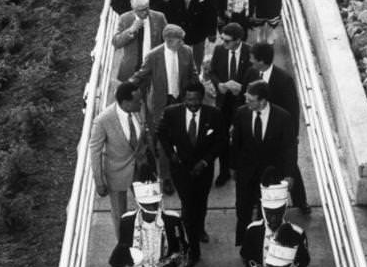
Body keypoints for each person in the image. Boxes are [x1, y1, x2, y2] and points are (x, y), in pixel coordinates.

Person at [157, 80, 221, 267]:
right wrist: (172, 155)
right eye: (189, 99)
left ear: (202, 98)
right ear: (184, 98)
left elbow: (220, 141)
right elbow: (161, 134)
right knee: (188, 206)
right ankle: (193, 250)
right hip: (181, 170)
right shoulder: (171, 113)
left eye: (196, 99)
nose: (193, 103)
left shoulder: (214, 115)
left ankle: (199, 229)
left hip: (204, 170)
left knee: (201, 203)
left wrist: (205, 161)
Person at [132, 23, 200, 192]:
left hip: (181, 100)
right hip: (162, 103)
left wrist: (198, 89)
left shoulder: (187, 52)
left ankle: (183, 170)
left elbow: (193, 73)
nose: (183, 43)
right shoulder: (154, 56)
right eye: (180, 40)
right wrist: (127, 88)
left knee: (184, 136)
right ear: (169, 41)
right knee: (164, 142)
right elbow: (141, 75)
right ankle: (166, 177)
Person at [230, 81, 296, 246]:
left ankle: (264, 245)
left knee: (267, 214)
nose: (247, 102)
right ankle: (245, 245)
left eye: (251, 100)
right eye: (246, 98)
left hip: (271, 176)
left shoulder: (282, 117)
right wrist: (233, 167)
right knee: (243, 211)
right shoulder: (241, 113)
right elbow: (235, 143)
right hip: (246, 174)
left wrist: (288, 175)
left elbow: (289, 149)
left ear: (263, 101)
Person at [249, 43, 310, 215]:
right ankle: (257, 201)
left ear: (261, 61)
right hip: (260, 129)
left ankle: (300, 201)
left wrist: (292, 135)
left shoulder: (284, 80)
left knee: (290, 167)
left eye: (252, 58)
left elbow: (293, 110)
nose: (250, 61)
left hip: (280, 133)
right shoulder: (252, 74)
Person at [88, 83, 150, 237]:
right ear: (125, 103)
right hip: (116, 175)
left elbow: (144, 137)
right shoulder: (103, 121)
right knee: (120, 215)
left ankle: (149, 240)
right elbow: (95, 152)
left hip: (141, 170)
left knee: (149, 207)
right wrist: (99, 182)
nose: (141, 103)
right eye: (137, 101)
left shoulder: (138, 109)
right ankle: (124, 247)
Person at [118, 172, 187, 267]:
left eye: (155, 203)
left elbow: (181, 250)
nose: (153, 208)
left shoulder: (172, 220)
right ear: (139, 203)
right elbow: (123, 250)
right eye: (147, 204)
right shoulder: (127, 222)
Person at [206, 20, 251, 186]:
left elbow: (256, 77)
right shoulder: (219, 50)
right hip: (224, 102)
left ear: (238, 40)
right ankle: (224, 172)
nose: (223, 43)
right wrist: (219, 85)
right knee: (223, 138)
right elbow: (212, 72)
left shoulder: (249, 52)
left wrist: (243, 87)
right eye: (222, 39)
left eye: (227, 40)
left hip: (242, 103)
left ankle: (242, 171)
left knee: (243, 138)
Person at [240, 172, 310, 267]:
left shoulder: (297, 234)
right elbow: (246, 256)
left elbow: (304, 260)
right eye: (269, 213)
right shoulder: (252, 230)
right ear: (263, 209)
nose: (273, 219)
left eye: (277, 213)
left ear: (285, 209)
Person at [164, 0, 217, 71]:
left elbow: (211, 11)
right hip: (180, 29)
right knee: (180, 55)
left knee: (198, 56)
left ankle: (196, 74)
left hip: (199, 29)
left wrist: (212, 32)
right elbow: (171, 7)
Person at [112, 0, 165, 85]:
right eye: (141, 10)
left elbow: (167, 38)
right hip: (132, 69)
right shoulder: (125, 18)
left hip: (153, 67)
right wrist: (130, 30)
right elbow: (116, 42)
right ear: (134, 9)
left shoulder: (159, 17)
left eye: (147, 8)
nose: (145, 12)